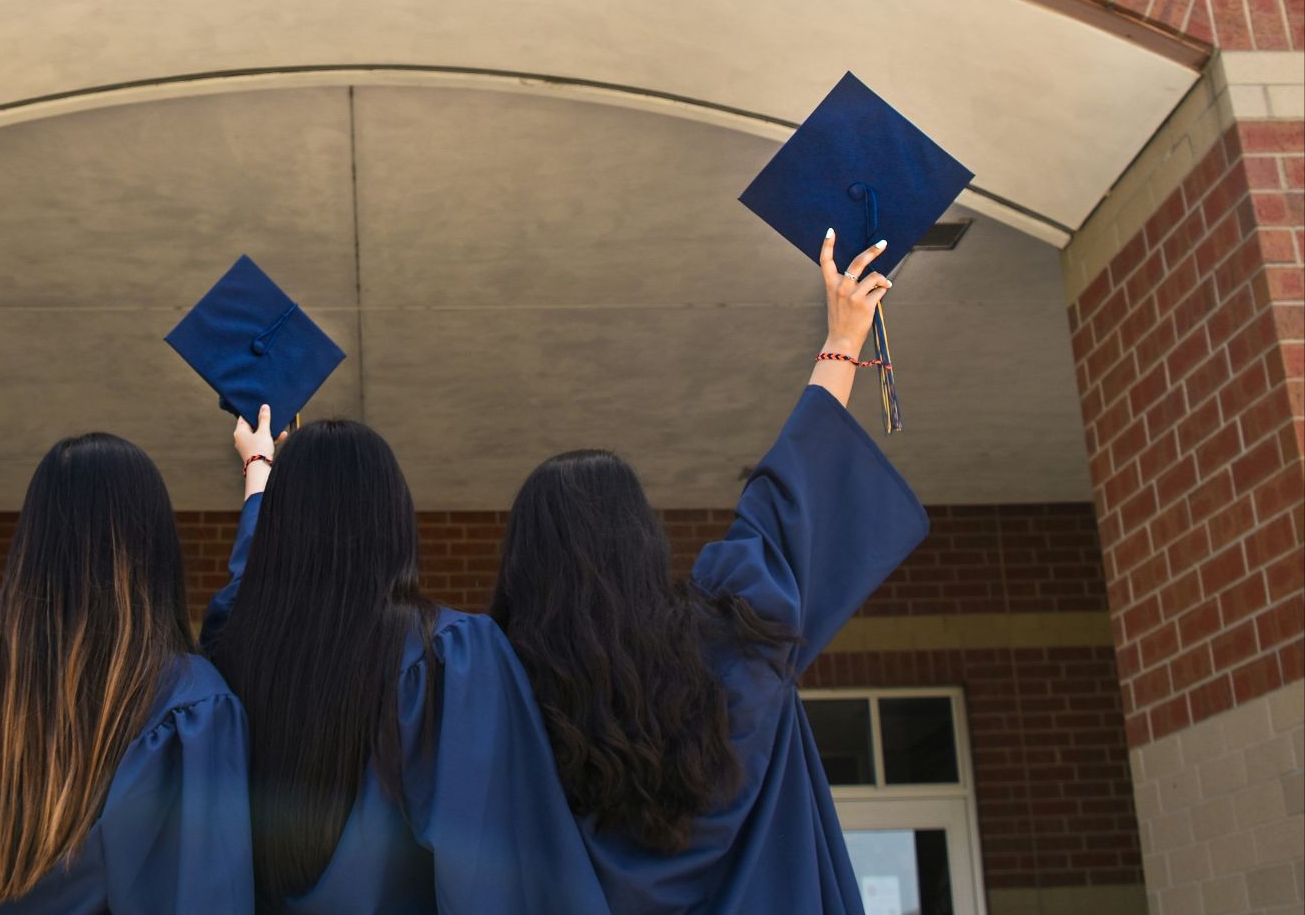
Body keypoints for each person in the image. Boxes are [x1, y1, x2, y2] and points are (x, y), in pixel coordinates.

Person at [487, 232, 932, 912]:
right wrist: (843, 336)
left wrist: (267, 477)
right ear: (643, 544)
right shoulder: (735, 638)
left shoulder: (497, 702)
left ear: (524, 570)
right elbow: (789, 498)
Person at [0, 406, 254, 913]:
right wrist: (259, 477)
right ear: (155, 545)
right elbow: (199, 891)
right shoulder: (185, 702)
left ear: (35, 537)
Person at [202, 405, 611, 914]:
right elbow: (491, 869)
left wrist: (259, 471)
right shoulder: (449, 656)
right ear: (394, 518)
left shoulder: (231, 651)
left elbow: (246, 585)